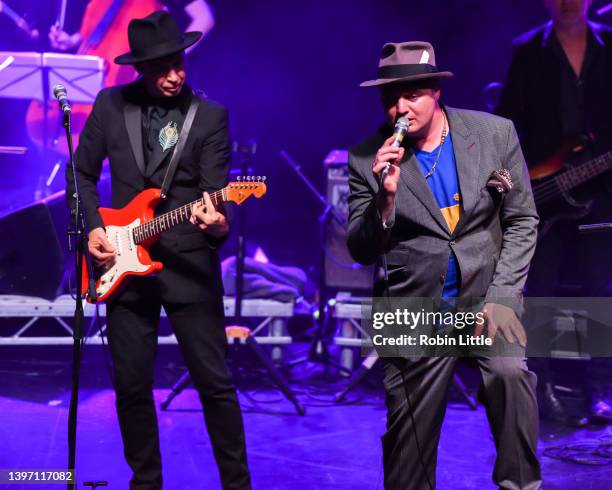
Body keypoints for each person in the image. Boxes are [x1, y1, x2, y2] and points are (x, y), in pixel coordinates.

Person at [65, 11, 250, 489]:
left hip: (188, 263)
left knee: (215, 385)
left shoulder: (209, 117)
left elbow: (215, 192)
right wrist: (92, 230)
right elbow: (80, 173)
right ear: (140, 67)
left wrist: (218, 222)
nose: (174, 74)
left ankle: (238, 484)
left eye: (179, 63)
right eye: (162, 66)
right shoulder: (109, 105)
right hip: (121, 262)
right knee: (130, 386)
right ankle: (145, 482)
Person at [347, 41, 541, 489]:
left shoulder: (495, 134)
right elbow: (361, 250)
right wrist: (386, 198)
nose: (400, 108)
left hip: (486, 299)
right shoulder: (365, 158)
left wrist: (504, 297)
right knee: (407, 456)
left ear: (435, 91)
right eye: (390, 98)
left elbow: (523, 219)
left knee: (512, 378)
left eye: (411, 94)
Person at [496, 0, 612, 423]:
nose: (567, 1)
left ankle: (600, 388)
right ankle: (540, 386)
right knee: (540, 289)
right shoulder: (527, 50)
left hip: (600, 189)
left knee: (602, 289)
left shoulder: (609, 44)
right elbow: (505, 124)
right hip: (543, 190)